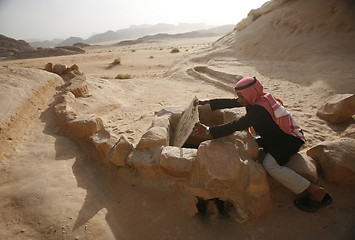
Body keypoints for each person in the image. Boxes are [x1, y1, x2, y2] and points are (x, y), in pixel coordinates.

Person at [192, 76, 332, 213]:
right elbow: (233, 102)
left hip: (288, 141)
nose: (239, 100)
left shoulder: (258, 110)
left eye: (241, 97)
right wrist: (208, 103)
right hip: (279, 136)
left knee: (270, 165)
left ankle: (315, 191)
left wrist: (208, 130)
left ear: (250, 94)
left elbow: (237, 125)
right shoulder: (260, 98)